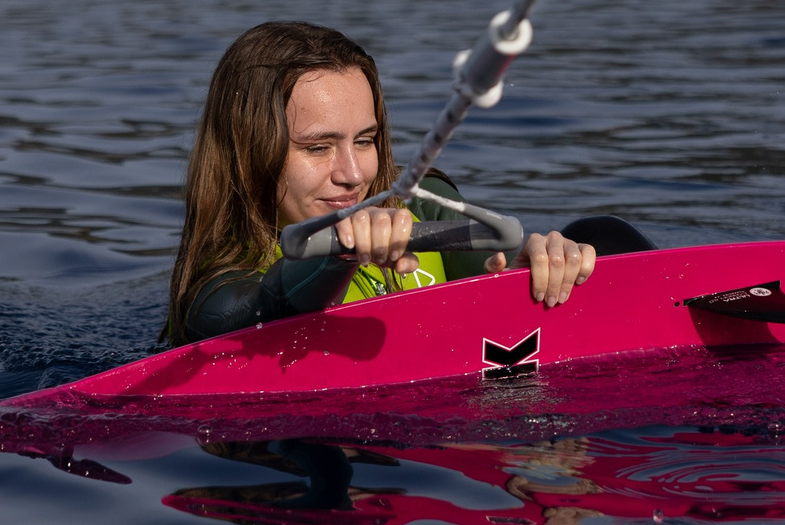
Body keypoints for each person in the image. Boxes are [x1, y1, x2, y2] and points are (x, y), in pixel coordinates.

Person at [163, 21, 651, 347]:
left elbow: (490, 275)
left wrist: (534, 272)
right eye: (317, 148)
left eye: (366, 140)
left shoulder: (427, 205)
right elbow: (268, 308)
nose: (354, 175)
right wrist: (342, 251)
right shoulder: (215, 292)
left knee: (603, 235)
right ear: (248, 155)